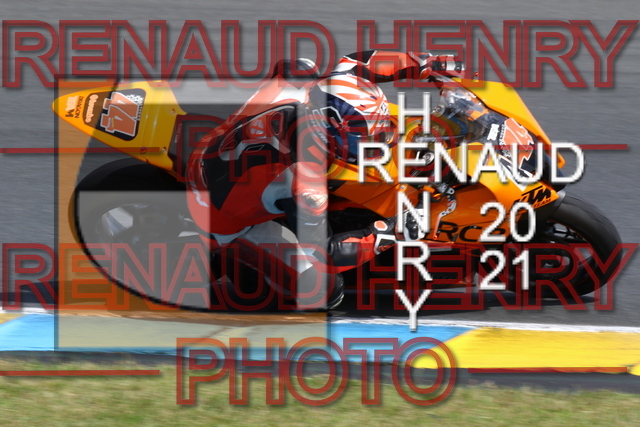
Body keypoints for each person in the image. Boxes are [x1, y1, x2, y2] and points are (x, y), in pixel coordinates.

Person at [186, 50, 444, 310]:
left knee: (299, 67)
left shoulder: (310, 92)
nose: (376, 143)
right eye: (363, 137)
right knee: (324, 289)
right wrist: (389, 232)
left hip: (216, 150)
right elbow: (325, 254)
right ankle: (226, 257)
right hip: (218, 213)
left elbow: (358, 63)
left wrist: (425, 63)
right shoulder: (305, 184)